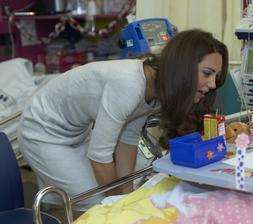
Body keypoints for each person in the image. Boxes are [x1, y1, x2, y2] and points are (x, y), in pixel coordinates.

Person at [18, 29, 228, 208]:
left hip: (75, 132)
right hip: (42, 131)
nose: (212, 84)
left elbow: (128, 139)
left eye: (215, 77)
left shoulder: (154, 87)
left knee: (123, 193)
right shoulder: (129, 84)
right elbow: (100, 158)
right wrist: (119, 203)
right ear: (183, 66)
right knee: (95, 201)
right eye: (207, 73)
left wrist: (125, 192)